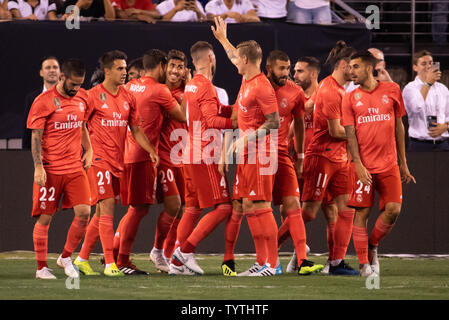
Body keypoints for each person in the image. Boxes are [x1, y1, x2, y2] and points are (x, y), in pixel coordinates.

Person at [73, 50, 158, 277]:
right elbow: (80, 125)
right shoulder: (92, 96)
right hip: (98, 160)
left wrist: (150, 150)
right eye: (120, 69)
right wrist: (88, 150)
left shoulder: (128, 97)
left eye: (125, 68)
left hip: (117, 161)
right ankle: (111, 263)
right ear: (107, 71)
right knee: (108, 205)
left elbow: (136, 129)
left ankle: (81, 258)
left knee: (101, 211)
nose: (124, 73)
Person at [212, 17, 281, 277]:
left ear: (246, 61)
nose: (234, 62)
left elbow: (274, 122)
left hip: (261, 155)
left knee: (262, 207)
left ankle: (272, 265)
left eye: (237, 59)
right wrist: (222, 39)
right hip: (247, 155)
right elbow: (234, 55)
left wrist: (246, 138)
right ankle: (262, 261)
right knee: (249, 206)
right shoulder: (247, 79)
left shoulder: (261, 87)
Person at [342, 50, 416, 276]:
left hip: (389, 165)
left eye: (355, 66)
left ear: (368, 67)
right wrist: (358, 164)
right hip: (362, 167)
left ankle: (372, 245)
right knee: (361, 214)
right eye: (349, 67)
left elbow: (399, 126)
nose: (350, 71)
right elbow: (350, 134)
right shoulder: (349, 97)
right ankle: (364, 265)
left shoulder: (392, 90)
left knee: (393, 210)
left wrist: (403, 162)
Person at [114, 49, 186, 275]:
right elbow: (183, 116)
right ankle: (122, 260)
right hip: (142, 156)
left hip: (126, 153)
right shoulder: (160, 90)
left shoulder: (130, 86)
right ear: (162, 66)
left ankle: (116, 254)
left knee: (136, 209)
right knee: (138, 210)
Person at [169, 40, 236, 276]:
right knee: (224, 208)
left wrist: (238, 109)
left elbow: (217, 110)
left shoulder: (191, 85)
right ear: (210, 59)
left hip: (190, 153)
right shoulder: (206, 86)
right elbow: (213, 121)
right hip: (205, 153)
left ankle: (177, 261)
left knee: (193, 208)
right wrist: (237, 122)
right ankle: (183, 254)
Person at [27, 59, 92, 280]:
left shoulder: (82, 97)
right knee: (45, 217)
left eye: (80, 84)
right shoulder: (43, 101)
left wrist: (89, 149)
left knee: (84, 212)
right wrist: (38, 167)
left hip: (74, 167)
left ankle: (65, 257)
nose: (76, 89)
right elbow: (35, 135)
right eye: (73, 84)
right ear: (62, 77)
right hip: (51, 168)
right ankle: (41, 268)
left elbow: (82, 123)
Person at [300, 41, 359, 276]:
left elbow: (306, 107)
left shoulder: (333, 87)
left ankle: (335, 263)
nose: (356, 71)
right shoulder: (331, 89)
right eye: (354, 66)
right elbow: (335, 131)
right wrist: (359, 132)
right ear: (343, 64)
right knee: (307, 213)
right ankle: (271, 253)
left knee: (345, 210)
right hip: (322, 156)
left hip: (339, 159)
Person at [264, 50, 324, 275]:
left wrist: (299, 156)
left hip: (281, 154)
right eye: (282, 68)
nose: (287, 73)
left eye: (289, 69)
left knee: (294, 206)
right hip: (258, 154)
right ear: (269, 68)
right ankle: (266, 259)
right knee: (255, 208)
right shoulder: (257, 85)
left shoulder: (295, 91)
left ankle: (302, 260)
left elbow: (298, 123)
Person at [277, 56, 338, 274]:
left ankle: (333, 262)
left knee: (327, 211)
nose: (295, 75)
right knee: (286, 207)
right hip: (300, 160)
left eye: (300, 71)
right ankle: (299, 250)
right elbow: (293, 126)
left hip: (322, 159)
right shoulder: (296, 96)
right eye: (294, 70)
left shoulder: (325, 94)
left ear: (313, 73)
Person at [149, 49, 189, 271]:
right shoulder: (160, 92)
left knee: (182, 210)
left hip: (182, 157)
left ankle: (168, 253)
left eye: (179, 66)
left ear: (185, 71)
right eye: (172, 65)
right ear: (165, 68)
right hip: (164, 156)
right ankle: (156, 250)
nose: (175, 70)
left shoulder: (188, 90)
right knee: (173, 206)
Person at [402, 50, 449, 151]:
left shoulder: (443, 89)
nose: (428, 66)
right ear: (415, 67)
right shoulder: (409, 88)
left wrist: (446, 126)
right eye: (424, 64)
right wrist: (427, 83)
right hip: (419, 145)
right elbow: (415, 108)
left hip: (443, 144)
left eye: (430, 63)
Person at [23, 56, 61, 150]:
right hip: (41, 155)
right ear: (41, 73)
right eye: (48, 68)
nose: (52, 70)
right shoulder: (32, 99)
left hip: (66, 155)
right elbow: (27, 131)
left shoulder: (71, 97)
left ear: (60, 72)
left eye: (55, 67)